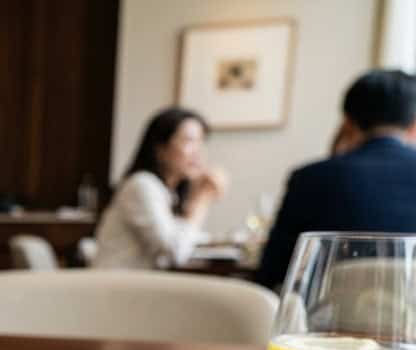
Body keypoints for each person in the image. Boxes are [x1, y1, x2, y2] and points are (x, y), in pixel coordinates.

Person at [256, 70, 416, 288]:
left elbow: (273, 270)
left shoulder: (309, 177)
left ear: (348, 122)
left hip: (328, 318)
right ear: (413, 124)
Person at [92, 107, 228, 269]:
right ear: (160, 148)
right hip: (115, 288)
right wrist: (201, 200)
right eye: (189, 141)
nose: (198, 151)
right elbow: (174, 253)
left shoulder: (169, 193)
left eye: (201, 141)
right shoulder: (141, 185)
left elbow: (183, 242)